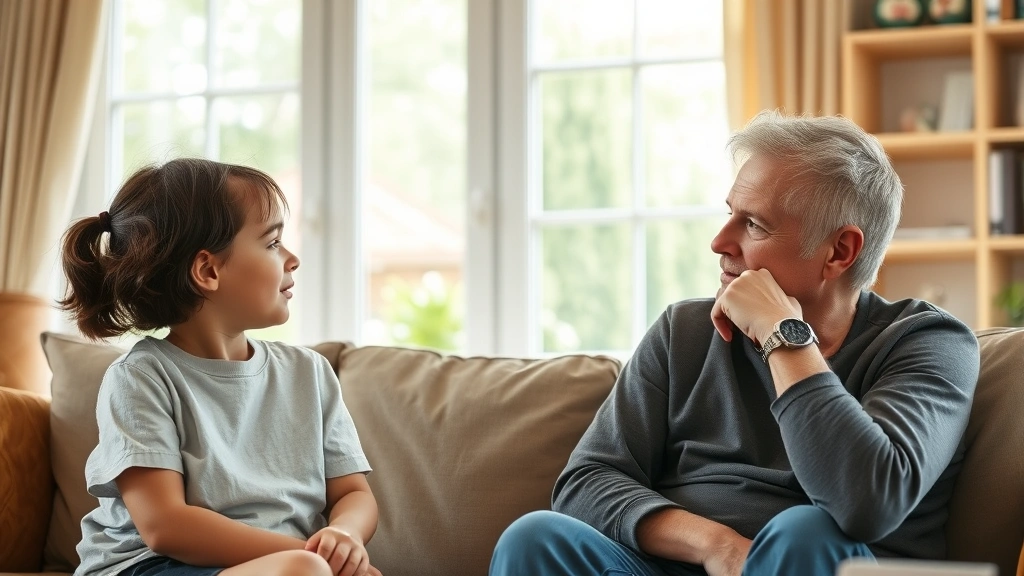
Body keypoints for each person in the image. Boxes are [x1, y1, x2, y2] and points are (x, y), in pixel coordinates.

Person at [489, 111, 980, 576]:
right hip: (682, 563)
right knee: (536, 538)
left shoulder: (926, 342)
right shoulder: (684, 330)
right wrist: (716, 546)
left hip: (812, 560)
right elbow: (585, 481)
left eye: (754, 224)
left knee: (804, 530)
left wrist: (782, 336)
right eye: (730, 214)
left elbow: (867, 501)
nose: (720, 241)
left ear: (839, 251)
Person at [60, 158, 381, 576]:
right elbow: (165, 527)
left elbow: (354, 493)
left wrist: (347, 537)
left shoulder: (310, 372)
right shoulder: (140, 378)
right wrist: (312, 557)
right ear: (208, 270)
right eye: (272, 243)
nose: (293, 258)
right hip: (152, 567)